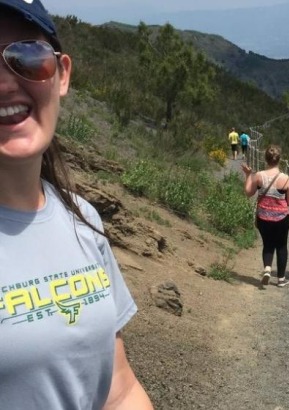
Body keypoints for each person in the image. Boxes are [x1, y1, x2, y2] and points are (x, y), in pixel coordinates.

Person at [0, 1, 153, 409]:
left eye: (26, 58)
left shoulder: (82, 219)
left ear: (61, 73)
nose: (4, 84)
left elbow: (119, 391)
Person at [241, 145, 289, 287]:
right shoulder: (286, 179)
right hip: (281, 218)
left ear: (265, 158)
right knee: (282, 246)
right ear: (279, 159)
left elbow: (248, 193)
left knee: (268, 244)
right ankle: (281, 279)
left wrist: (248, 175)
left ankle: (267, 269)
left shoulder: (258, 176)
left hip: (263, 217)